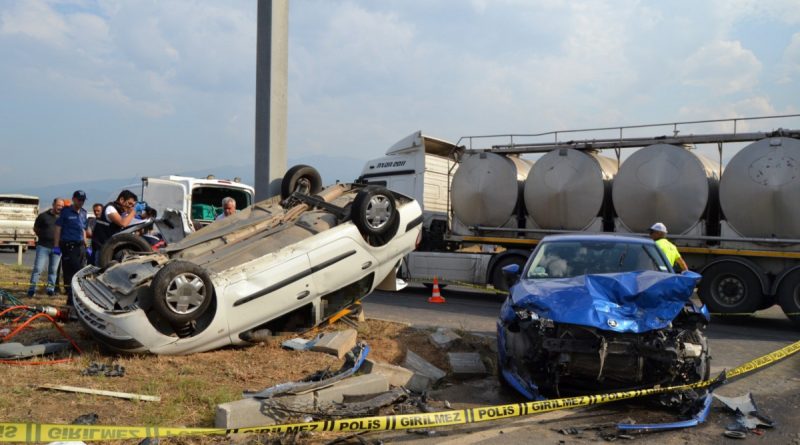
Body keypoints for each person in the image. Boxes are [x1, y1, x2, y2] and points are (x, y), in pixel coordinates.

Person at [53, 190, 89, 306]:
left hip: (80, 247)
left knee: (80, 271)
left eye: (83, 200)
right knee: (73, 272)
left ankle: (72, 300)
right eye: (79, 200)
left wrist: (86, 244)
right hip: (69, 246)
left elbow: (83, 229)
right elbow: (58, 228)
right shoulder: (66, 212)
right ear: (73, 199)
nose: (81, 202)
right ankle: (71, 298)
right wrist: (56, 246)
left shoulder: (83, 213)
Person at [27, 198, 65, 297]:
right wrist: (43, 236)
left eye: (62, 206)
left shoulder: (63, 218)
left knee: (53, 270)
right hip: (43, 246)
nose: (60, 208)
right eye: (58, 205)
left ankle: (50, 290)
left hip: (57, 248)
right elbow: (36, 228)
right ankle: (32, 289)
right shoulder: (43, 216)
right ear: (53, 204)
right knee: (38, 269)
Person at [91, 190, 139, 262]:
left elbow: (132, 219)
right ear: (122, 200)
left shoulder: (120, 211)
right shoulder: (110, 208)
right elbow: (123, 223)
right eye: (129, 203)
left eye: (133, 205)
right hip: (103, 250)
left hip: (111, 249)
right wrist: (134, 210)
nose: (130, 207)